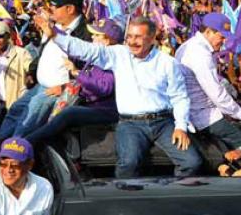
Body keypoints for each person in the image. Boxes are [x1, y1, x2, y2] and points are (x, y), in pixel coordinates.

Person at [37, 15, 202, 178]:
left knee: (191, 162)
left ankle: (172, 197)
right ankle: (126, 201)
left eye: (138, 37)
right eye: (129, 36)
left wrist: (180, 127)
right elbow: (86, 50)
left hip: (163, 123)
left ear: (152, 38)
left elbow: (180, 97)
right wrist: (56, 35)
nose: (132, 41)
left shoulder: (168, 63)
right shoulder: (118, 55)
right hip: (131, 124)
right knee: (128, 164)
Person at [0, 0, 90, 138]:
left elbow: (87, 70)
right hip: (39, 86)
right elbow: (44, 53)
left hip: (58, 91)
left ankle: (14, 152)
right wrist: (32, 72)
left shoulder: (85, 34)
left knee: (28, 120)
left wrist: (66, 87)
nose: (52, 9)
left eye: (57, 6)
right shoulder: (56, 27)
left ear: (70, 9)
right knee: (16, 110)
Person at [25, 19, 119, 149]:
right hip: (88, 104)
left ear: (107, 41)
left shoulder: (113, 60)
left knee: (69, 114)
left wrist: (76, 73)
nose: (92, 37)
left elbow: (103, 88)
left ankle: (27, 143)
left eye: (97, 35)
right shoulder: (97, 58)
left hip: (104, 110)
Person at [176, 12, 241, 149]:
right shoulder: (200, 54)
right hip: (204, 116)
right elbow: (215, 93)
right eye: (221, 37)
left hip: (201, 113)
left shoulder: (190, 46)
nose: (224, 42)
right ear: (208, 32)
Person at [0, 137, 54, 215]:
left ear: (30, 165)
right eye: (3, 164)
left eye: (15, 165)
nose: (8, 170)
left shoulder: (44, 187)